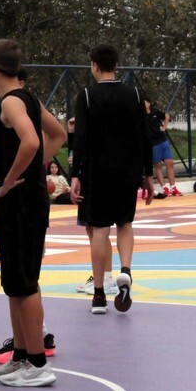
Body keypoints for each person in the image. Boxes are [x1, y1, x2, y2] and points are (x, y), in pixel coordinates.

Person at [0, 38, 65, 387]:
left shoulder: (12, 102)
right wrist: (32, 172)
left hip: (21, 201)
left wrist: (11, 180)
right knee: (15, 282)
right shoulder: (27, 98)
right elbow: (58, 134)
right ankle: (20, 355)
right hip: (22, 200)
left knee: (25, 283)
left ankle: (36, 362)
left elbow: (32, 141)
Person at [69, 44, 154, 315]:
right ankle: (126, 270)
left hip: (97, 170)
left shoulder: (86, 95)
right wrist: (148, 174)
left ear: (94, 64)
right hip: (129, 170)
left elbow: (80, 138)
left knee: (99, 229)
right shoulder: (135, 94)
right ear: (116, 64)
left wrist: (75, 175)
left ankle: (98, 294)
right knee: (125, 223)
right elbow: (145, 136)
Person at [142, 96, 180, 197]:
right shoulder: (141, 115)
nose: (144, 104)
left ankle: (173, 187)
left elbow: (166, 116)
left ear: (149, 103)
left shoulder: (155, 112)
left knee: (169, 163)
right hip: (153, 143)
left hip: (163, 140)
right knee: (158, 165)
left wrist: (164, 128)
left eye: (145, 102)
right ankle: (164, 188)